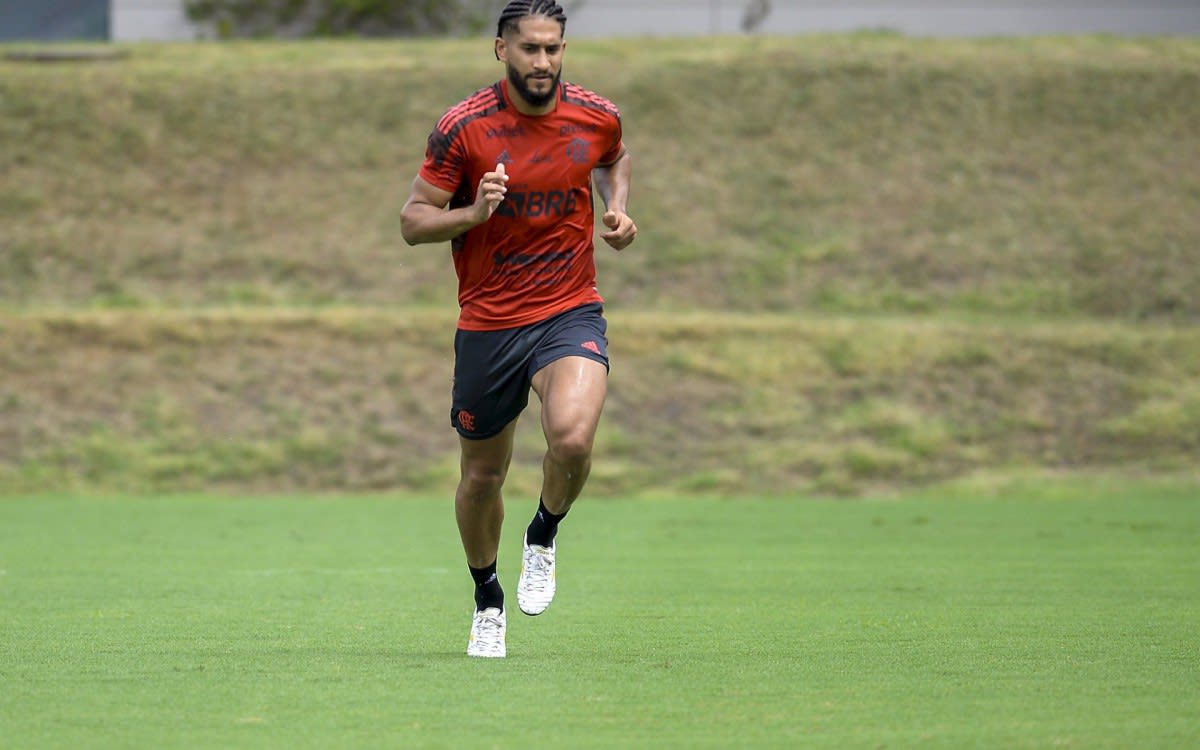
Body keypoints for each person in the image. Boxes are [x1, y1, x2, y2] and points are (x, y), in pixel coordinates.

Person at [399, 0, 637, 658]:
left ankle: (543, 535)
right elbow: (413, 220)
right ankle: (486, 598)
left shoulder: (596, 114)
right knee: (481, 478)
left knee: (573, 437)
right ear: (501, 50)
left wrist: (616, 211)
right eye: (530, 48)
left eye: (553, 48)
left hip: (569, 309)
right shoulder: (464, 128)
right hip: (489, 324)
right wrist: (474, 212)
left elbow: (614, 155)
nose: (543, 61)